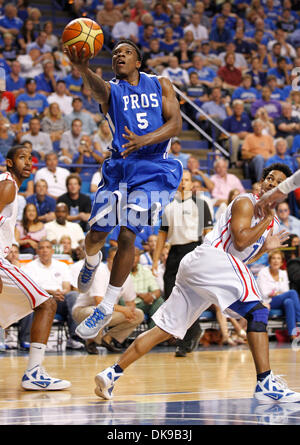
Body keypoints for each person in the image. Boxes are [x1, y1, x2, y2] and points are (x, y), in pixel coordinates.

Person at [94, 163, 300, 404]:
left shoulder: (271, 222)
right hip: (211, 259)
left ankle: (111, 373)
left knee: (164, 330)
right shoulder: (247, 202)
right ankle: (265, 383)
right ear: (262, 182)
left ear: (283, 192)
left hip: (204, 269)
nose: (273, 184)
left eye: (278, 183)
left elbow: (244, 255)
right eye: (270, 179)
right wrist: (266, 221)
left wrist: (265, 247)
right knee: (259, 314)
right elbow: (240, 242)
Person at [64, 39, 183, 340]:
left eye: (126, 52)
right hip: (120, 168)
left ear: (138, 61)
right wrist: (83, 69)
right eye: (115, 53)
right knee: (96, 236)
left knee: (129, 234)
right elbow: (98, 90)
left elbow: (176, 124)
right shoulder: (112, 90)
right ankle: (92, 261)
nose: (119, 56)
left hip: (155, 168)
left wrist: (146, 140)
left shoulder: (160, 84)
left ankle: (105, 307)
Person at [0, 145, 70, 390]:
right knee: (47, 305)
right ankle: (34, 373)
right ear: (9, 163)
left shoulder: (12, 187)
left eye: (31, 159)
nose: (28, 162)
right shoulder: (7, 185)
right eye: (22, 158)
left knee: (46, 301)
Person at [152, 169, 213, 357]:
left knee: (190, 296)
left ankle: (186, 339)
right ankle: (192, 332)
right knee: (171, 294)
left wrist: (210, 256)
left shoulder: (201, 204)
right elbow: (162, 235)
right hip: (174, 252)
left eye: (186, 180)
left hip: (193, 249)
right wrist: (155, 260)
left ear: (191, 183)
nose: (183, 183)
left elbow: (208, 232)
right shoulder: (168, 205)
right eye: (181, 180)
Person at [72, 246, 144, 354]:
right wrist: (124, 310)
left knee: (138, 314)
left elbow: (130, 303)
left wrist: (130, 310)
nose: (118, 261)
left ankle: (107, 339)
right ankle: (91, 342)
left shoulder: (125, 276)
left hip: (109, 311)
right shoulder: (100, 271)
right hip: (83, 310)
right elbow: (99, 301)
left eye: (121, 259)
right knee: (97, 311)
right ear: (109, 260)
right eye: (115, 258)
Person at [22, 239, 83, 350]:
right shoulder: (28, 267)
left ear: (52, 250)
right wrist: (51, 293)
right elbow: (30, 289)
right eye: (41, 248)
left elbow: (67, 287)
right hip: (40, 301)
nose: (44, 250)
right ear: (37, 251)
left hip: (59, 300)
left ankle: (75, 337)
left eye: (47, 247)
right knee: (29, 301)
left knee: (73, 295)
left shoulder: (62, 266)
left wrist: (60, 293)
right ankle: (27, 340)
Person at [257, 249, 300, 341]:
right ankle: (299, 321)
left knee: (289, 302)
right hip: (267, 302)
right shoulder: (263, 273)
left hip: (279, 300)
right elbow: (264, 293)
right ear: (269, 261)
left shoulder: (283, 273)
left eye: (278, 259)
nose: (276, 261)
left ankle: (292, 335)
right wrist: (277, 293)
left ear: (281, 262)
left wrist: (274, 293)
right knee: (292, 293)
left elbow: (285, 290)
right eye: (273, 258)